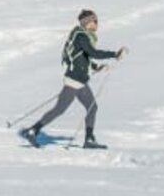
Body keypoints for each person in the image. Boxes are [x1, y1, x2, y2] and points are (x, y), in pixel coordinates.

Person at [21, 9, 127, 150]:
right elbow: (92, 53)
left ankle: (89, 139)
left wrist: (96, 68)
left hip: (80, 81)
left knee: (92, 108)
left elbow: (83, 58)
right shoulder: (81, 37)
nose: (97, 24)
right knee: (59, 110)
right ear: (88, 22)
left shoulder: (84, 36)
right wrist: (114, 54)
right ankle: (32, 131)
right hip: (74, 81)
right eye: (95, 21)